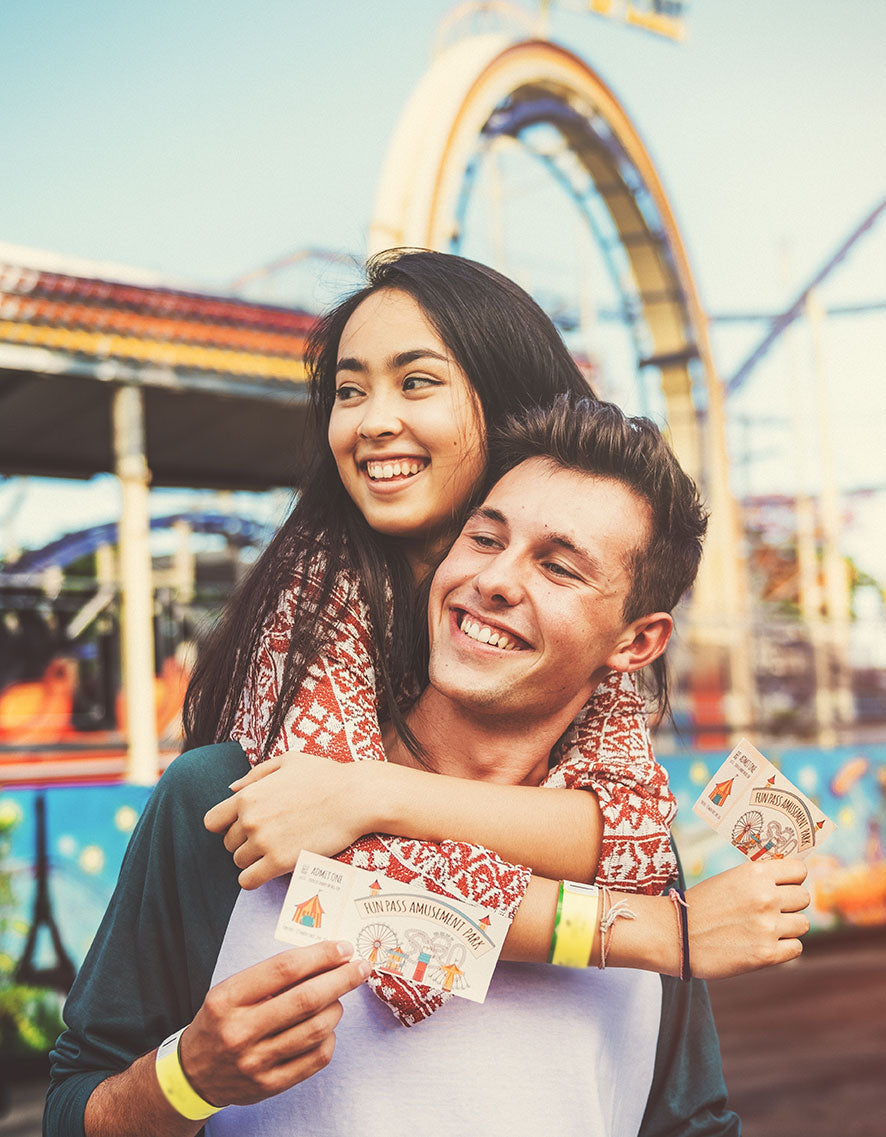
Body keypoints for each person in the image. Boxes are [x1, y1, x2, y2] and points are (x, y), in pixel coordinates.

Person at [46, 397, 811, 1136]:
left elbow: (688, 1124)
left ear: (636, 643)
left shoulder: (631, 861)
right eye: (485, 538)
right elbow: (72, 1108)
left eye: (559, 567)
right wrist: (186, 1078)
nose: (496, 579)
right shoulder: (232, 795)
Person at [181, 251, 685, 1027]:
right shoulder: (314, 599)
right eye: (350, 391)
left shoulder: (583, 639)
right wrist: (644, 930)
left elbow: (639, 839)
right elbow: (361, 898)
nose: (374, 419)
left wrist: (378, 792)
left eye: (416, 381)